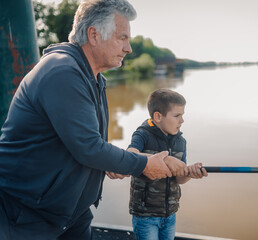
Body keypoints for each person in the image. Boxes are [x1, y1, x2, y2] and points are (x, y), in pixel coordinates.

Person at [0, 1, 186, 239]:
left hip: (71, 212)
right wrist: (144, 164)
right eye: (122, 38)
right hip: (28, 215)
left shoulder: (93, 77)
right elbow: (89, 148)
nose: (129, 48)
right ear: (94, 35)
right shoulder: (63, 72)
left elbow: (86, 143)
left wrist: (116, 161)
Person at [126, 88, 208, 240]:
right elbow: (131, 155)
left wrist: (190, 173)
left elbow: (179, 179)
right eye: (177, 116)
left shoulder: (180, 141)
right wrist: (163, 159)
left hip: (170, 214)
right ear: (158, 116)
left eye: (182, 116)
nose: (181, 121)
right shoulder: (143, 134)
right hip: (145, 216)